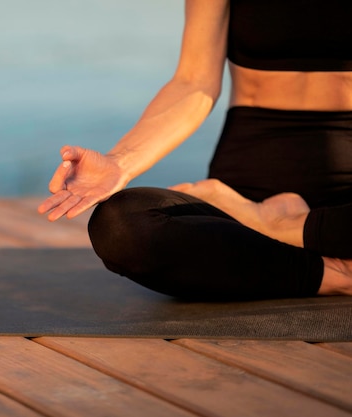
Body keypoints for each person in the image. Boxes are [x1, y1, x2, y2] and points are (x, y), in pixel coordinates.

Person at [37, 0, 352, 300]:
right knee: (120, 226)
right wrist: (120, 162)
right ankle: (330, 275)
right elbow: (194, 81)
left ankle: (276, 228)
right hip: (241, 196)